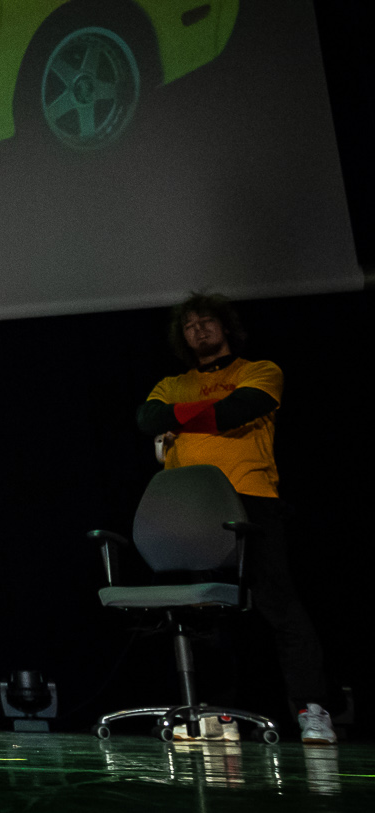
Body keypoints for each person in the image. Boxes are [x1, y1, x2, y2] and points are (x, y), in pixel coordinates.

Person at [136, 293, 336, 745]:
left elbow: (234, 412)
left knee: (278, 605)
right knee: (205, 610)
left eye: (207, 321)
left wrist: (178, 420)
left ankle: (312, 710)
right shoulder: (173, 382)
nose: (199, 330)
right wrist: (195, 416)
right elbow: (147, 418)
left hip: (250, 498)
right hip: (190, 506)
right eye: (190, 326)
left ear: (225, 326)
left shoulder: (258, 370)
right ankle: (216, 714)